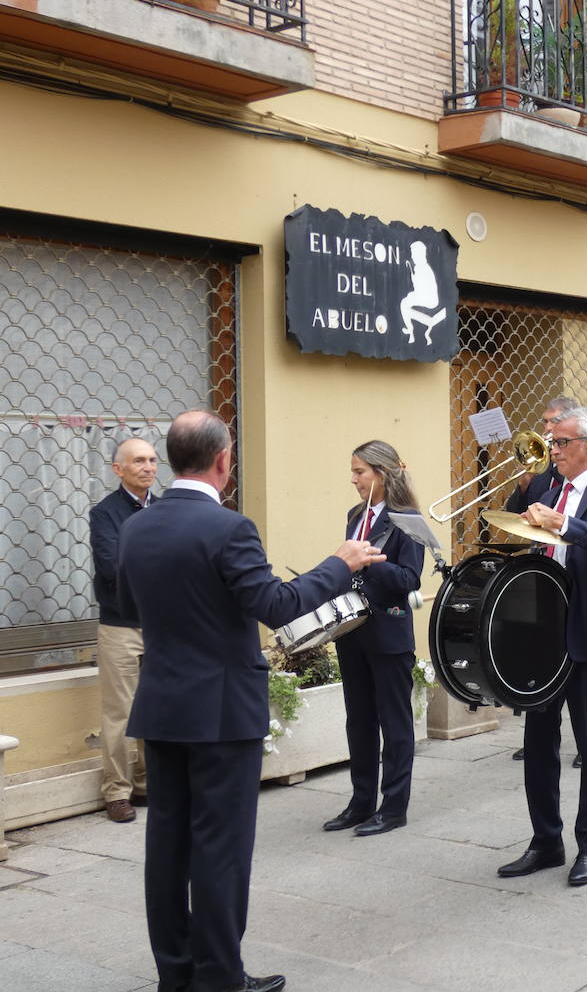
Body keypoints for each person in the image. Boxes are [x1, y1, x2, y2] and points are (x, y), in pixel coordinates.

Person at [117, 411, 381, 992]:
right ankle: (219, 977)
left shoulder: (136, 526)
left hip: (161, 704)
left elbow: (132, 607)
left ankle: (176, 974)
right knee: (221, 848)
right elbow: (278, 605)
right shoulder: (229, 528)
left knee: (167, 846)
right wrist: (341, 564)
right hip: (220, 710)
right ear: (222, 462)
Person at [498, 408, 587, 888]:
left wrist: (564, 525)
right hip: (545, 634)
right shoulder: (547, 488)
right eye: (551, 441)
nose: (552, 449)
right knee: (537, 742)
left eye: (560, 441)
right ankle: (545, 840)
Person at [320, 441, 425, 837]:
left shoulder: (406, 519)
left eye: (360, 472)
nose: (354, 479)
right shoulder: (354, 515)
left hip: (388, 631)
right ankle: (360, 802)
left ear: (381, 473)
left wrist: (369, 562)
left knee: (394, 724)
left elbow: (409, 580)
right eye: (353, 471)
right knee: (359, 721)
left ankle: (393, 806)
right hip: (353, 630)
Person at [89, 436, 158, 823]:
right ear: (119, 469)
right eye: (138, 461)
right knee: (120, 714)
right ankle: (117, 792)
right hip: (120, 627)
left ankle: (149, 785)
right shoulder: (105, 513)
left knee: (157, 706)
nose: (148, 467)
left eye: (151, 460)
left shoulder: (165, 509)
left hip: (161, 625)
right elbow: (110, 567)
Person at [504, 396, 587, 515]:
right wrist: (524, 483)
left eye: (555, 421)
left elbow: (586, 498)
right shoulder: (542, 464)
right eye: (545, 422)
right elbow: (514, 511)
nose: (548, 428)